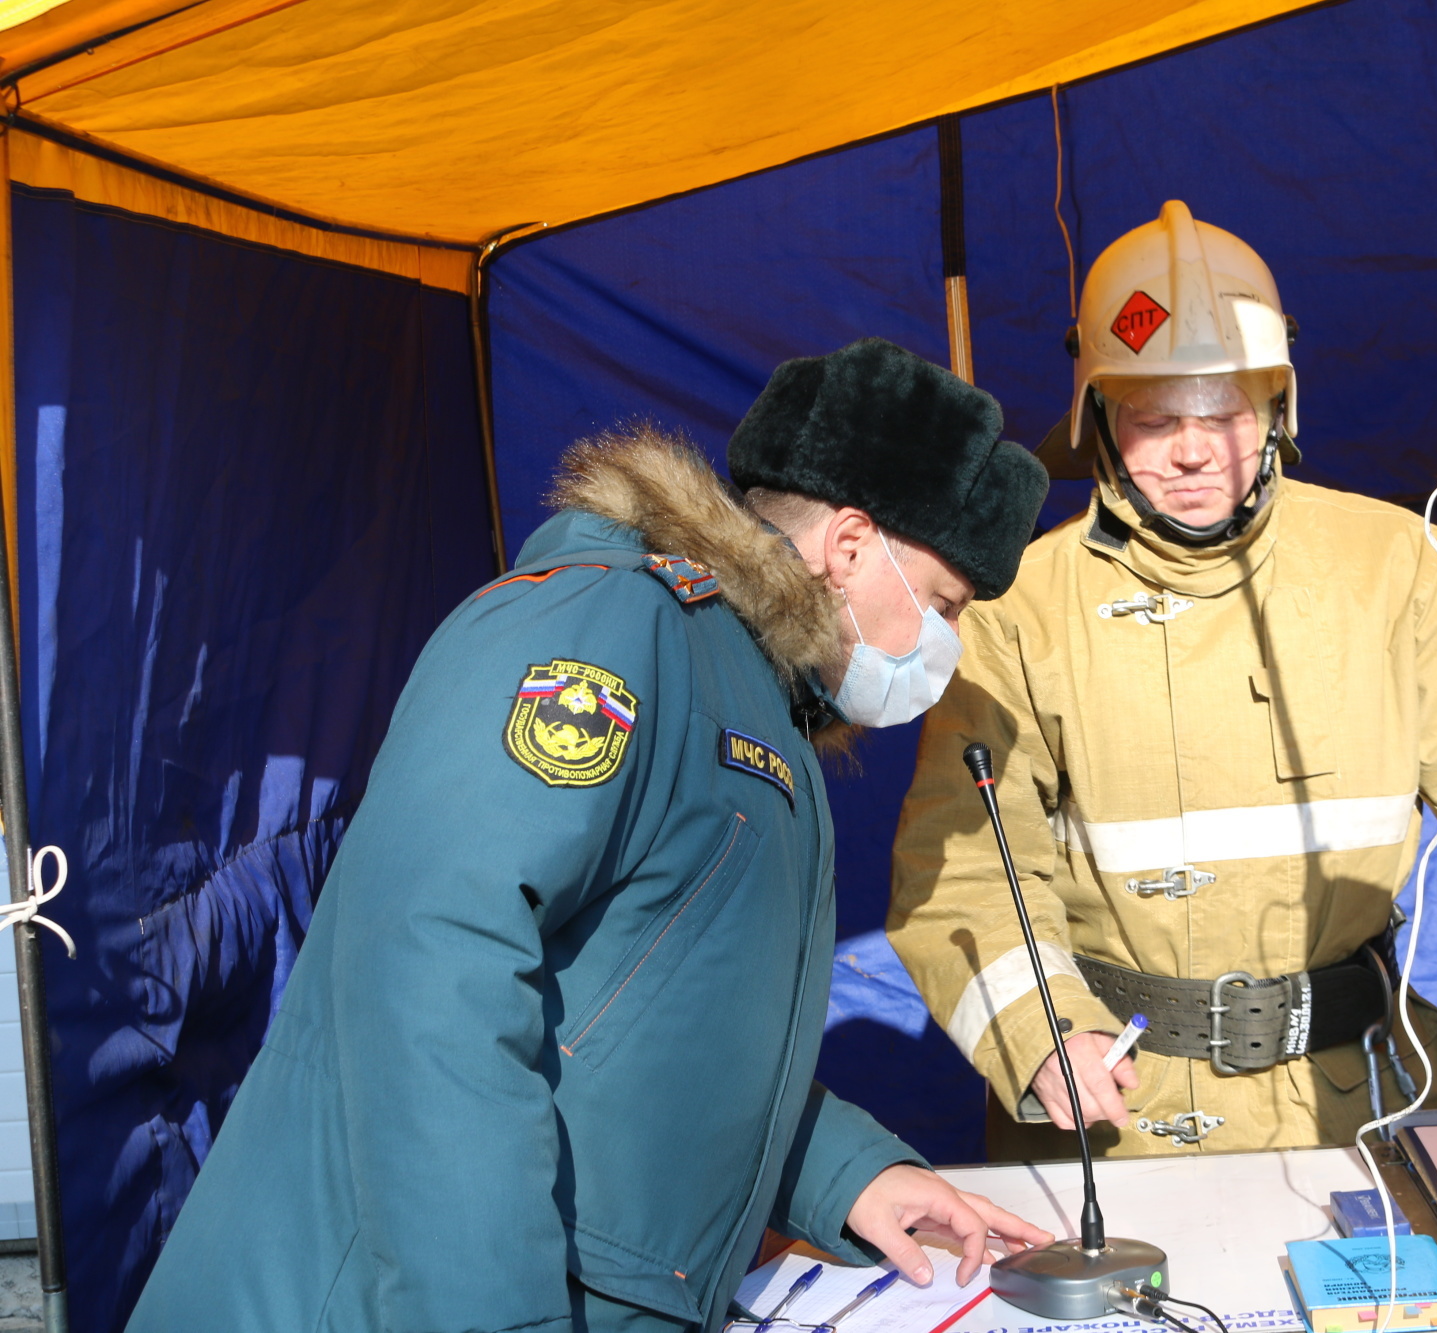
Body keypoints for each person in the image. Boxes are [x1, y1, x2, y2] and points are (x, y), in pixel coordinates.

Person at [128, 338, 1054, 1332]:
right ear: (848, 545)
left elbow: (650, 1026)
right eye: (944, 605)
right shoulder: (609, 628)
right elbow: (434, 975)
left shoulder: (755, 703)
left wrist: (845, 1172)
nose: (943, 649)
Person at [886, 202, 1437, 1161]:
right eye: (1155, 416)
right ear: (1096, 419)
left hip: (1364, 1111)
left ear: (1280, 408)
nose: (1195, 449)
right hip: (1115, 1132)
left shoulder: (1408, 571)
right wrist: (1043, 1034)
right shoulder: (1013, 608)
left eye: (1228, 412)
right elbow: (959, 873)